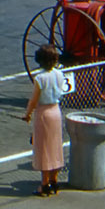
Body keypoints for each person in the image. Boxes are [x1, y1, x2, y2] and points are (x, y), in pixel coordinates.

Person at [22, 46, 67, 195]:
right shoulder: (59, 74)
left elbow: (34, 100)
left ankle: (45, 183)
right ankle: (55, 180)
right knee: (55, 146)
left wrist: (27, 114)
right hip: (56, 110)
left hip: (44, 112)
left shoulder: (40, 78)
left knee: (43, 148)